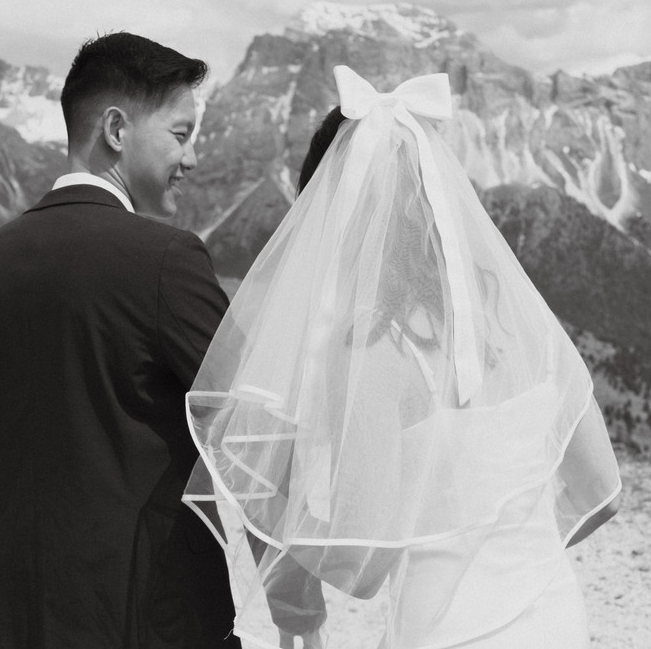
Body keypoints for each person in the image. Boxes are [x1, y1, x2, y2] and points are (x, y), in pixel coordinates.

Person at [182, 66, 622, 648]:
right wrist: (506, 555)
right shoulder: (517, 320)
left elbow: (362, 560)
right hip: (557, 619)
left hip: (445, 634)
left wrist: (264, 494)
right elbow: (602, 492)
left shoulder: (376, 350)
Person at [0, 32, 240, 648]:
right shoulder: (167, 261)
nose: (193, 159)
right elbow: (252, 424)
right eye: (181, 135)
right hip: (156, 621)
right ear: (117, 131)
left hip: (16, 625)